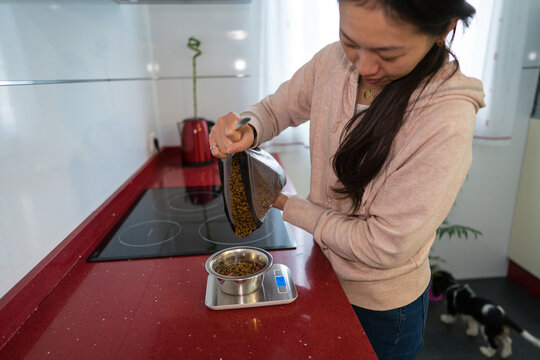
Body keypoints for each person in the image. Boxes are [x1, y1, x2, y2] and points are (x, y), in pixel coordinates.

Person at [209, 0, 485, 358]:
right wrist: (246, 128)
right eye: (350, 40)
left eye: (388, 53)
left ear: (443, 30)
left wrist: (283, 202)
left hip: (381, 308)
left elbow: (381, 246)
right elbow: (276, 109)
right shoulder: (332, 62)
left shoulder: (444, 119)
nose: (365, 66)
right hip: (322, 270)